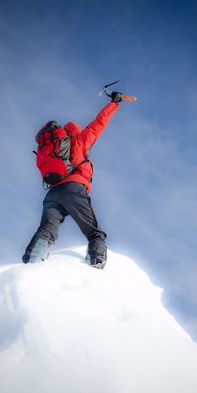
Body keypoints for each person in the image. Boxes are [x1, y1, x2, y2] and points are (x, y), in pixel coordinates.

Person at [22, 91, 123, 268]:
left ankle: (32, 263)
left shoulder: (53, 147)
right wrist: (115, 103)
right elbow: (100, 122)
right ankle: (96, 264)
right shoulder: (82, 139)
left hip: (53, 193)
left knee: (47, 228)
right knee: (94, 233)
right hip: (74, 189)